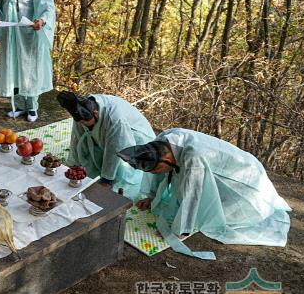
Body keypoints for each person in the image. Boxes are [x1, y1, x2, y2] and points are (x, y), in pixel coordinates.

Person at [117, 128, 291, 248]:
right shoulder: (162, 141)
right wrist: (151, 196)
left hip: (244, 182)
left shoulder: (194, 158)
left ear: (168, 161)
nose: (155, 173)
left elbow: (193, 196)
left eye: (157, 169)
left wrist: (180, 231)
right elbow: (155, 174)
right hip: (227, 170)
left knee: (214, 218)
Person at [56, 91, 155, 201]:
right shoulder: (81, 109)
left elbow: (115, 148)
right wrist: (75, 163)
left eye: (90, 124)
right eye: (82, 123)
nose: (86, 126)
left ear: (96, 113)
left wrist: (107, 179)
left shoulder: (115, 118)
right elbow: (77, 137)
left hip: (135, 138)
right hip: (111, 136)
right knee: (90, 161)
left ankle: (118, 185)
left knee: (121, 173)